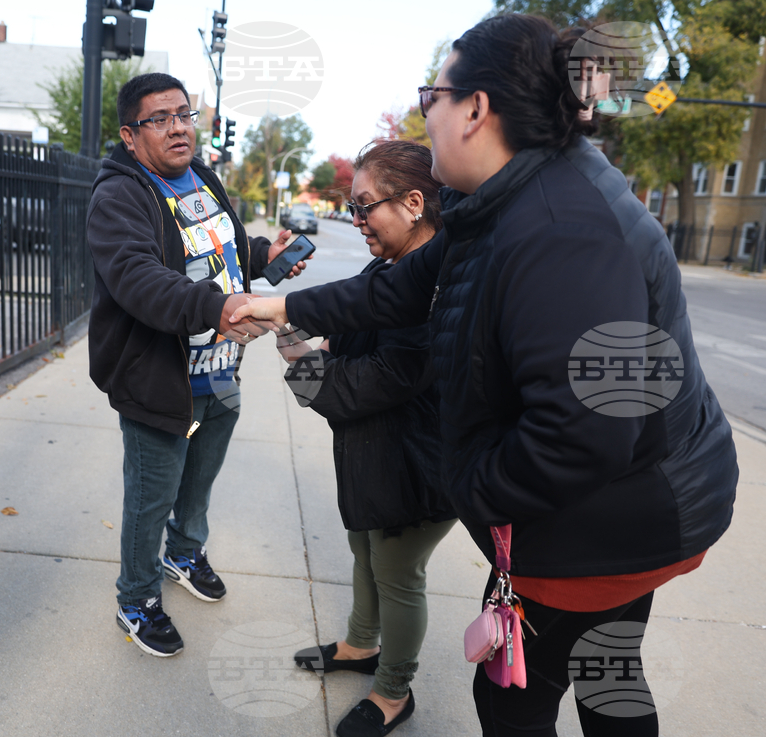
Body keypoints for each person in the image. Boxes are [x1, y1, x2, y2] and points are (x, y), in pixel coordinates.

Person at [233, 14, 738, 736]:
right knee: (607, 668)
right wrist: (278, 304)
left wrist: (468, 486)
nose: (425, 115)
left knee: (512, 696)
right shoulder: (501, 199)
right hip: (626, 503)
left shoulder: (561, 230)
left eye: (431, 96)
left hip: (611, 519)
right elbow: (398, 290)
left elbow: (583, 437)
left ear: (475, 109)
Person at [86, 72, 307, 657]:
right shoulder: (120, 196)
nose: (177, 127)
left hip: (222, 372)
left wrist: (263, 255)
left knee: (199, 482)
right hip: (160, 379)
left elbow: (216, 246)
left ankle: (183, 554)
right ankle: (137, 599)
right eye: (158, 119)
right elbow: (139, 278)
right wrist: (216, 307)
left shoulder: (202, 177)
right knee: (151, 497)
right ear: (130, 136)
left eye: (183, 114)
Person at [281, 140, 457, 737]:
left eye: (363, 207)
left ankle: (393, 692)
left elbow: (370, 383)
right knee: (365, 547)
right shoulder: (390, 269)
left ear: (414, 203)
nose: (355, 220)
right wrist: (304, 335)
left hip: (421, 465)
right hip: (379, 454)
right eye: (352, 208)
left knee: (399, 573)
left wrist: (296, 355)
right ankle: (361, 645)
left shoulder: (436, 289)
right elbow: (348, 335)